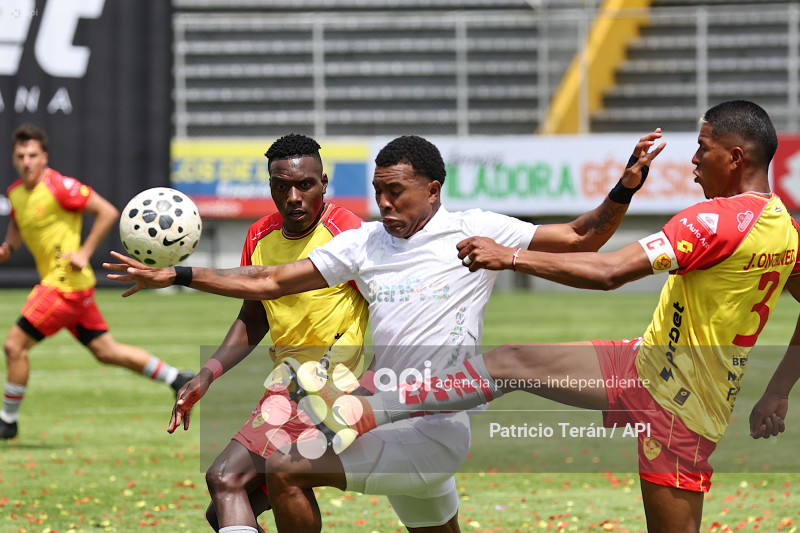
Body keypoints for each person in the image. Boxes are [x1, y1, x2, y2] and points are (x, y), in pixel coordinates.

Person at [105, 132, 662, 533]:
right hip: (391, 420)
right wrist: (178, 274)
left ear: (434, 189)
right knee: (238, 487)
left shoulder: (474, 229)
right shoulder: (365, 243)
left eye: (398, 192)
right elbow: (271, 280)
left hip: (436, 428)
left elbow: (582, 237)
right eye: (379, 192)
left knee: (285, 470)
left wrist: (624, 188)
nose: (386, 204)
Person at [301, 101, 800, 533]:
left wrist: (511, 257)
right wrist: (778, 391)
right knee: (511, 360)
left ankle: (376, 407)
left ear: (735, 158)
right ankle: (376, 407)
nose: (692, 161)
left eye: (703, 148)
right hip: (645, 363)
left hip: (681, 410)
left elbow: (607, 272)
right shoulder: (785, 228)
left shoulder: (710, 220)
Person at [168, 133, 370, 533]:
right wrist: (206, 374)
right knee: (227, 506)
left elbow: (388, 306)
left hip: (332, 388)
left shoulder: (349, 232)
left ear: (324, 183)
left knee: (226, 479)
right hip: (286, 388)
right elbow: (254, 317)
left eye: (304, 185)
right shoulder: (260, 236)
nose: (293, 196)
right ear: (271, 187)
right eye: (282, 186)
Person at [0, 123, 194, 440]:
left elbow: (106, 211)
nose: (26, 161)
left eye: (33, 155)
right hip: (75, 290)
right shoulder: (16, 194)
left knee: (13, 346)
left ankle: (6, 421)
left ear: (44, 157)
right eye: (21, 155)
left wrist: (84, 251)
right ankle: (177, 377)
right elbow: (17, 232)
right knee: (107, 351)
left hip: (63, 285)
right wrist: (7, 249)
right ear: (13, 158)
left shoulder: (60, 186)